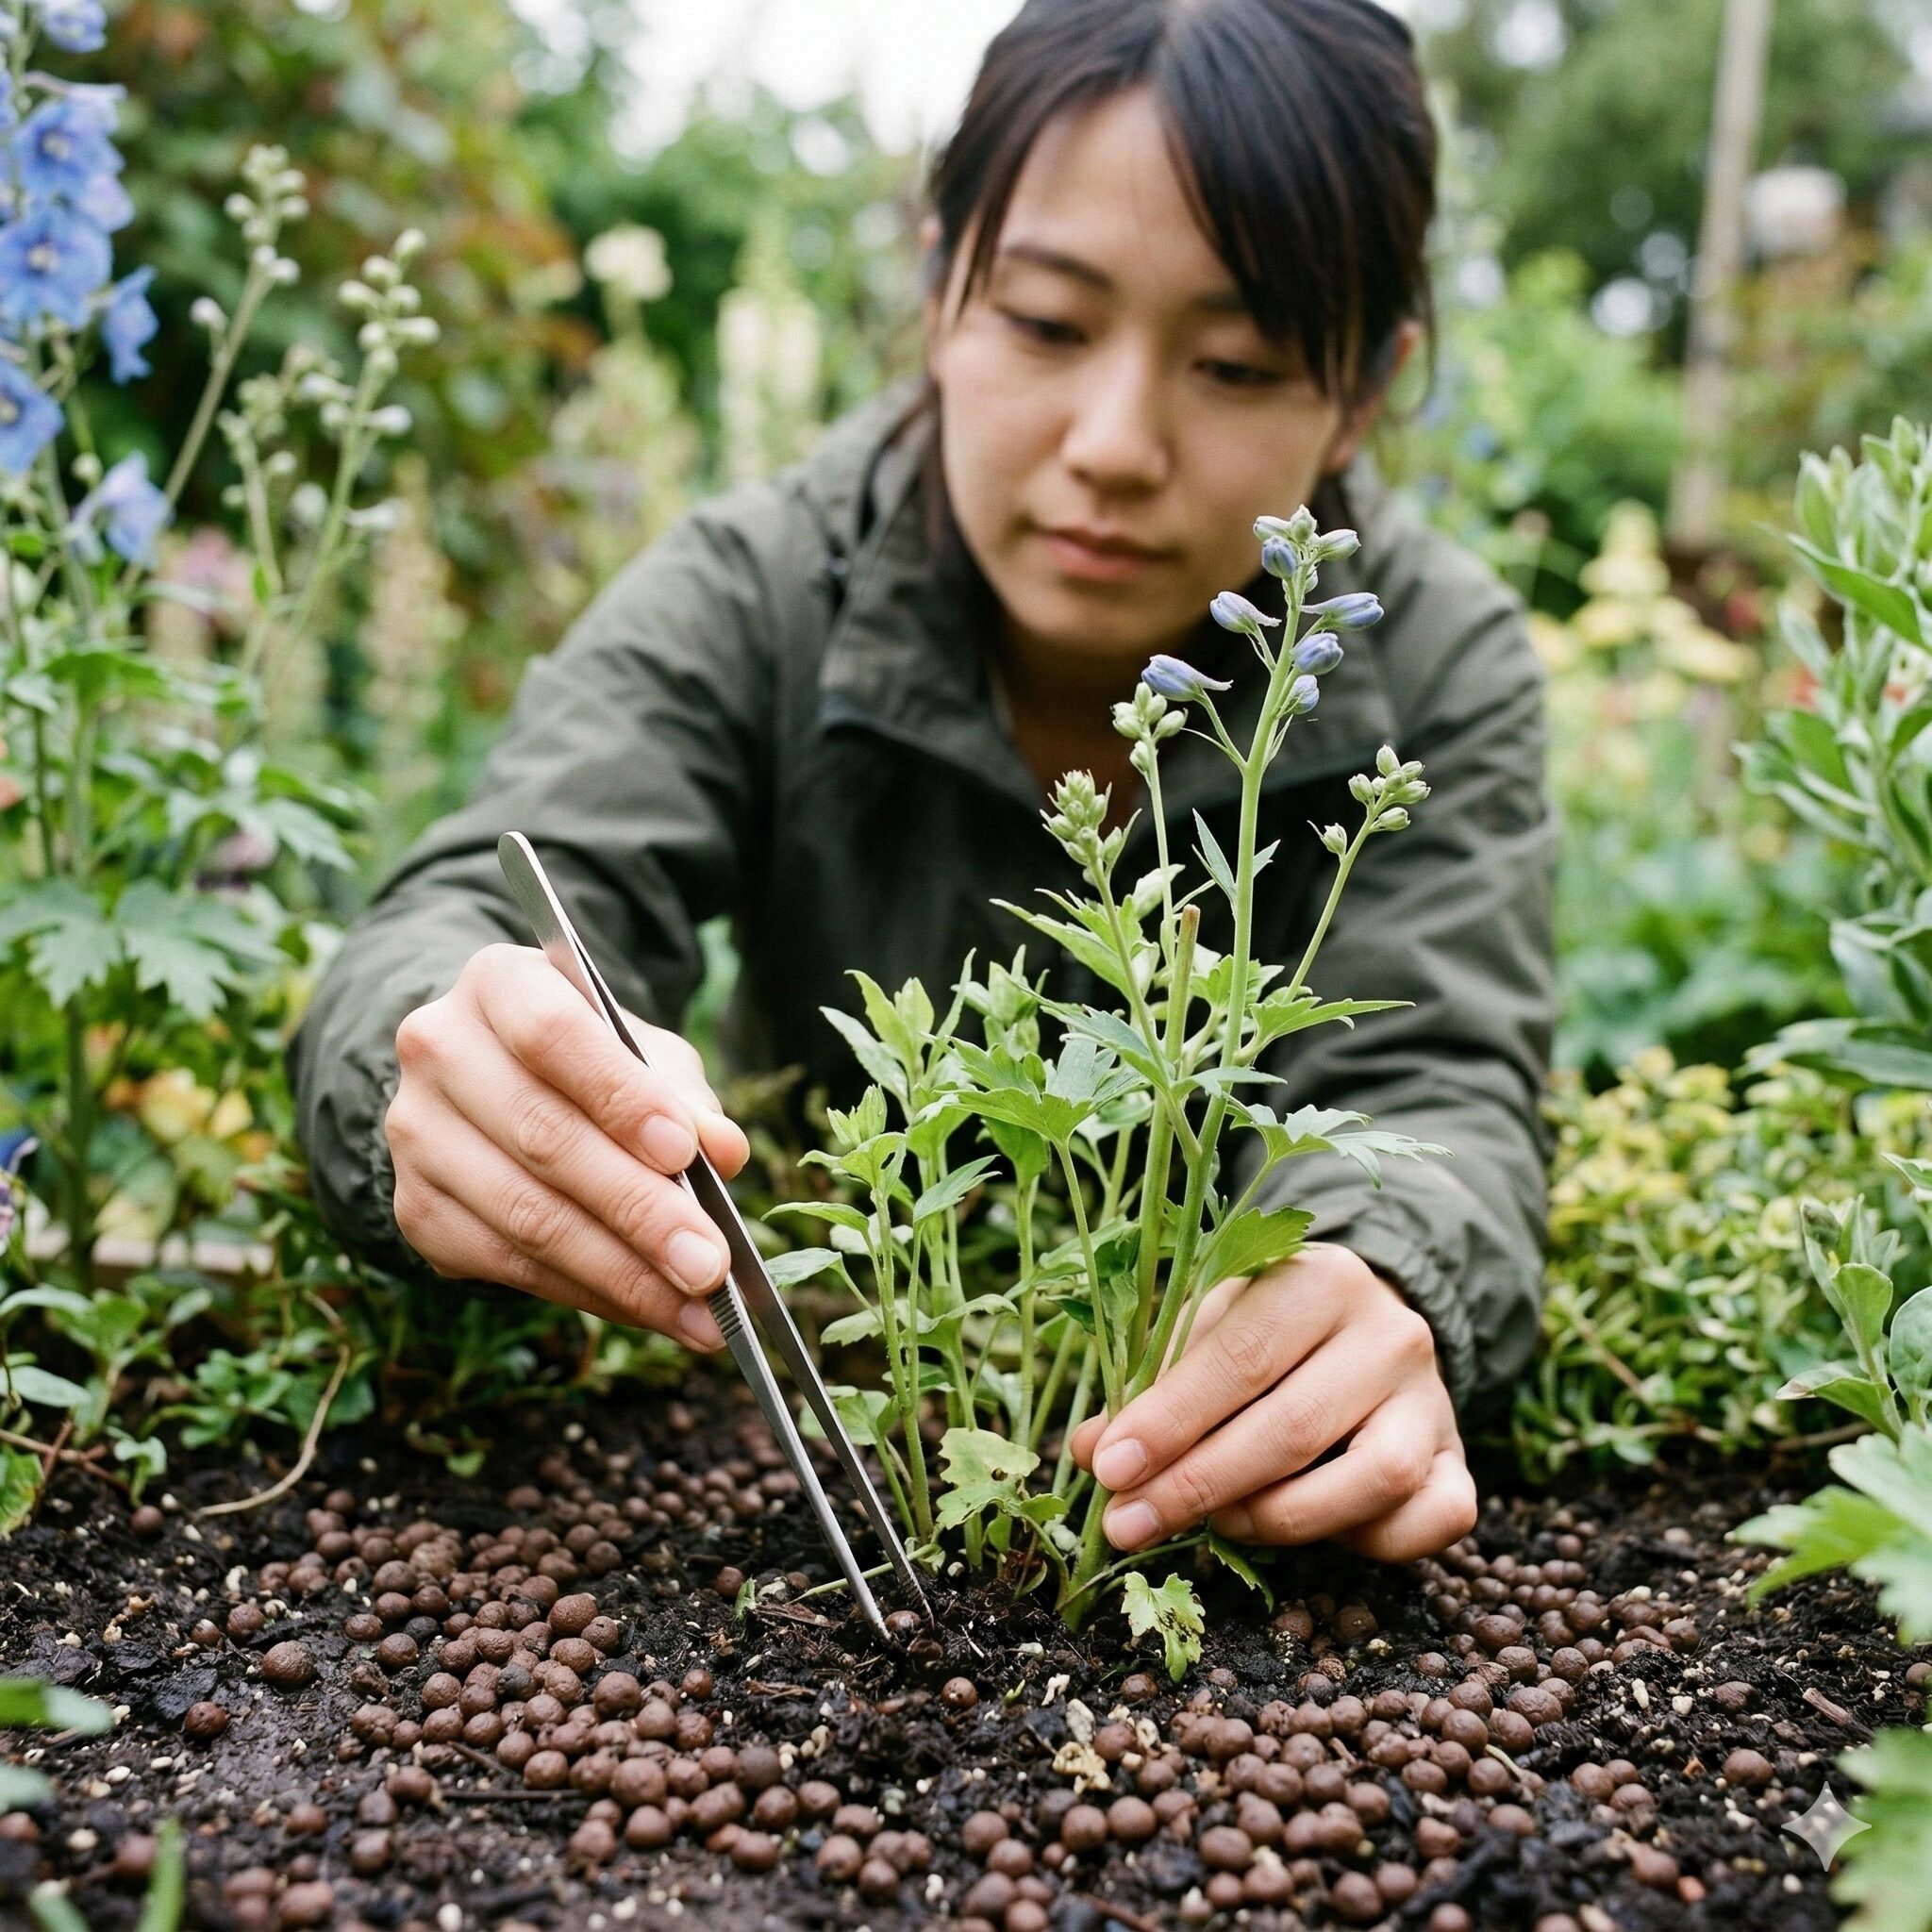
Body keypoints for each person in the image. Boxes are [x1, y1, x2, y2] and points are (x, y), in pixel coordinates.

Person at [291, 0, 1554, 1565]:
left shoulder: (1435, 664)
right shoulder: (765, 585)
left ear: (1366, 388)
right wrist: (445, 1065)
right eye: (1043, 321)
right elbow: (479, 905)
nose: (1113, 443)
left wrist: (1385, 1281)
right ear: (942, 282)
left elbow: (1444, 1097)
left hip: (1161, 1476)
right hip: (816, 1394)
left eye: (1235, 361)